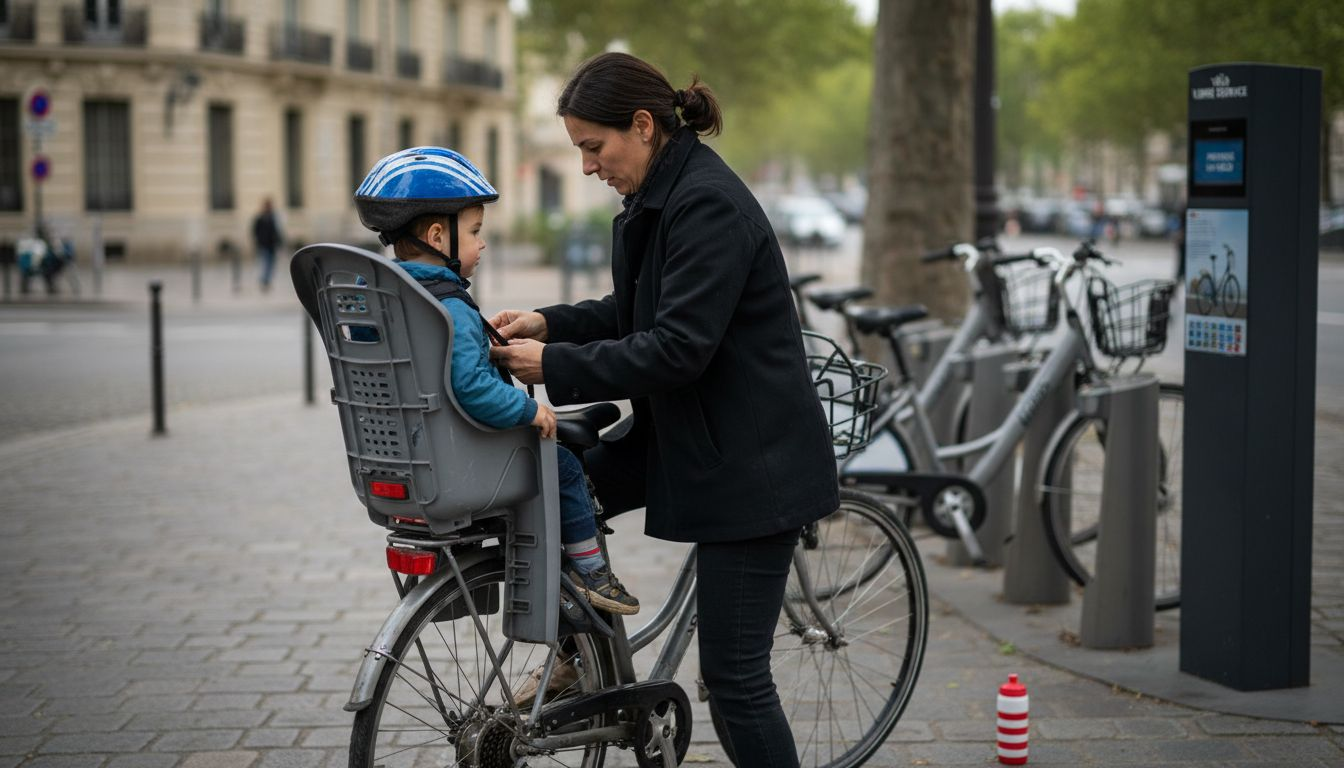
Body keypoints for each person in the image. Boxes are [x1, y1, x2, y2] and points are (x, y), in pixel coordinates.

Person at [489, 52, 839, 768]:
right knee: (549, 485)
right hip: (687, 438)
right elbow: (638, 309)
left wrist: (550, 367)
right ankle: (578, 655)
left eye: (594, 147)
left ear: (643, 126)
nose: (587, 167)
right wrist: (548, 324)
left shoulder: (706, 202)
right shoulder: (663, 193)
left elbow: (676, 347)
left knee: (735, 681)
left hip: (751, 464)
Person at [352, 147, 640, 622]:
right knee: (563, 467)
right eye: (475, 231)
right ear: (438, 235)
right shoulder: (451, 309)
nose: (483, 244)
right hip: (466, 456)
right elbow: (471, 388)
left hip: (410, 450)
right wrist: (529, 410)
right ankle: (591, 573)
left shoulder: (390, 300)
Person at [251, 198, 282, 292]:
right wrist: (259, 241)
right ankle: (264, 280)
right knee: (266, 263)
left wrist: (279, 241)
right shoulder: (261, 217)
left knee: (271, 263)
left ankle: (266, 280)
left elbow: (276, 231)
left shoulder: (273, 217)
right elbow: (255, 231)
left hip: (272, 245)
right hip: (264, 245)